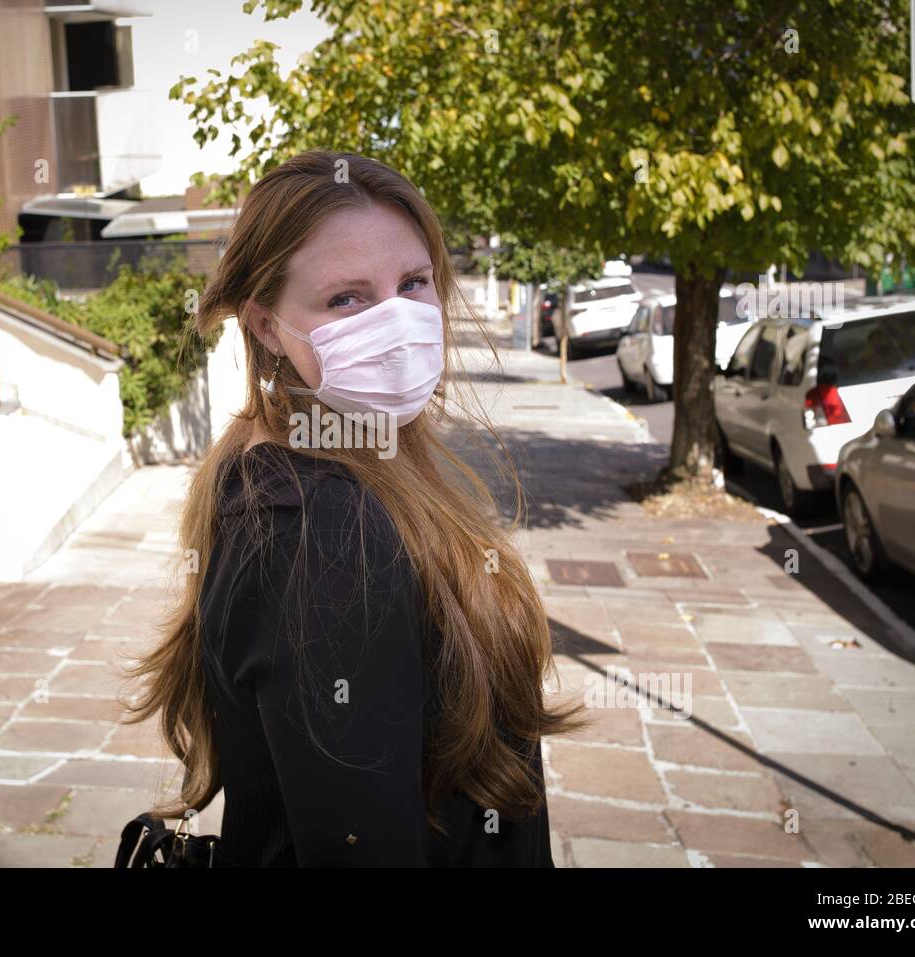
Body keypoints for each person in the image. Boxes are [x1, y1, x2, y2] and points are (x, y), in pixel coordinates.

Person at [119, 149, 590, 867]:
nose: (397, 322)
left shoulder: (293, 454)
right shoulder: (323, 531)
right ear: (267, 325)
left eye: (412, 283)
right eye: (347, 298)